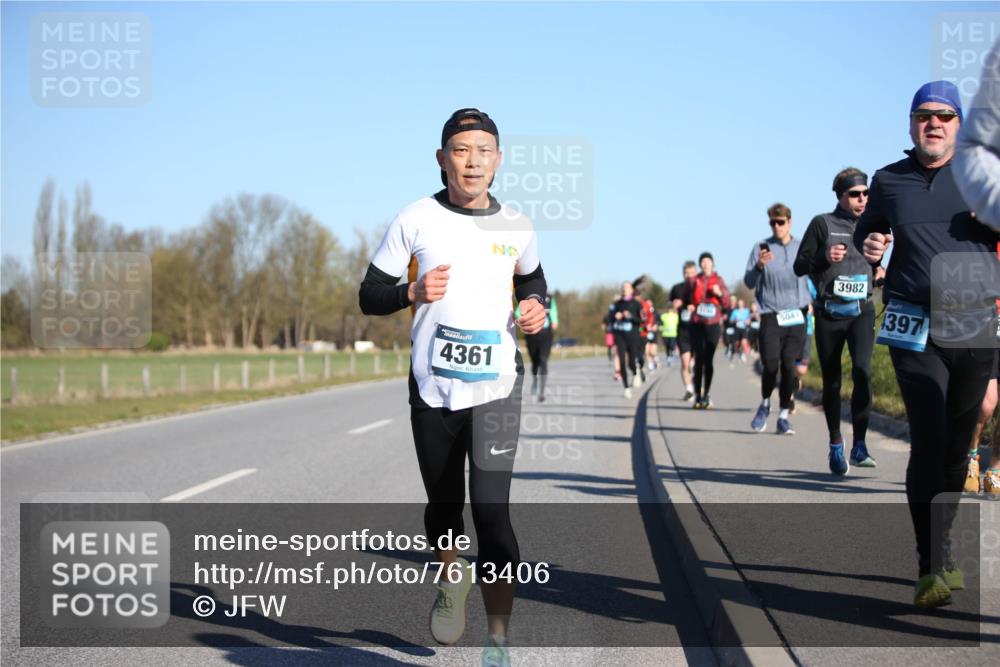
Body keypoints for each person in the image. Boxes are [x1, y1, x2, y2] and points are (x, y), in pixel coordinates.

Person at [359, 108, 547, 665]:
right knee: (443, 508)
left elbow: (533, 279)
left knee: (492, 513)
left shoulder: (516, 224)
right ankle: (450, 575)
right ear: (443, 160)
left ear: (498, 160)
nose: (472, 160)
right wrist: (410, 294)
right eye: (461, 150)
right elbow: (369, 294)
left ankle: (498, 640)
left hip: (496, 388)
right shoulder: (415, 219)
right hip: (432, 389)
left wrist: (536, 307)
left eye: (483, 150)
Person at [855, 82, 999, 608]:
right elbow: (868, 234)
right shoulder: (889, 181)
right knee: (930, 437)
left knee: (958, 448)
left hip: (976, 325)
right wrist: (870, 245)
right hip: (913, 325)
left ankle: (944, 543)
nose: (933, 123)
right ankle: (929, 562)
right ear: (911, 123)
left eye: (944, 116)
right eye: (923, 115)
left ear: (960, 125)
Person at [794, 167, 883, 474]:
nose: (862, 199)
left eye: (865, 193)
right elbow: (799, 265)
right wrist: (824, 257)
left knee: (863, 371)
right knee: (832, 382)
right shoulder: (823, 224)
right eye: (854, 194)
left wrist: (881, 270)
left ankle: (859, 444)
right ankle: (835, 444)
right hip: (830, 313)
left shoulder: (875, 224)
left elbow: (878, 260)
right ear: (841, 196)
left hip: (862, 311)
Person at [745, 203, 812, 435]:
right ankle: (765, 404)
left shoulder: (802, 246)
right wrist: (760, 266)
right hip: (771, 314)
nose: (776, 226)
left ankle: (783, 415)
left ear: (790, 222)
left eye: (780, 222)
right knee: (771, 364)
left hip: (796, 314)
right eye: (772, 223)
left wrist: (815, 301)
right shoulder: (761, 248)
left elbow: (815, 273)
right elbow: (749, 282)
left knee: (789, 366)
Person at [687, 252, 731, 409]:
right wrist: (688, 305)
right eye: (703, 262)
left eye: (708, 261)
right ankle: (698, 395)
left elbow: (727, 303)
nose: (705, 264)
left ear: (713, 264)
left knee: (708, 360)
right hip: (697, 323)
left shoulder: (719, 280)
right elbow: (687, 299)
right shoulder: (694, 281)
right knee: (698, 360)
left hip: (712, 324)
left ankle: (707, 393)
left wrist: (720, 293)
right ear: (700, 265)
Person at [515, 294, 558, 402]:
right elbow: (517, 312)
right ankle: (535, 380)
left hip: (546, 334)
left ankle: (542, 392)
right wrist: (523, 318)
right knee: (535, 363)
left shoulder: (549, 298)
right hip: (531, 334)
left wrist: (554, 322)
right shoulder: (527, 296)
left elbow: (554, 313)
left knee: (543, 361)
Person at [610, 281, 646, 398]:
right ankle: (626, 387)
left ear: (631, 290)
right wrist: (616, 317)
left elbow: (642, 320)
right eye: (623, 287)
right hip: (620, 336)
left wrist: (630, 317)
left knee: (631, 362)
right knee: (621, 361)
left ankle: (635, 373)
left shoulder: (637, 304)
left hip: (633, 336)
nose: (624, 289)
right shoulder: (618, 304)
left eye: (627, 287)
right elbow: (610, 319)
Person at [670, 261, 698, 400]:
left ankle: (698, 386)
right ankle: (689, 389)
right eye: (686, 273)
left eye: (692, 273)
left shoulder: (700, 286)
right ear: (683, 274)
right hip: (683, 330)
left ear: (696, 273)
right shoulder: (677, 288)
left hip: (698, 329)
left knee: (696, 363)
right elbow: (670, 303)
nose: (689, 276)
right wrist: (674, 305)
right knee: (685, 363)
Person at [729, 298, 751, 363]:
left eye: (741, 303)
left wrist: (748, 321)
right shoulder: (735, 311)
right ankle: (739, 353)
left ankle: (743, 354)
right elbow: (730, 320)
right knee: (737, 343)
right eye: (739, 303)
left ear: (743, 304)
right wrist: (735, 320)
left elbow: (749, 320)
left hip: (744, 328)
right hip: (737, 328)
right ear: (738, 304)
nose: (740, 304)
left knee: (744, 342)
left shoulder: (747, 311)